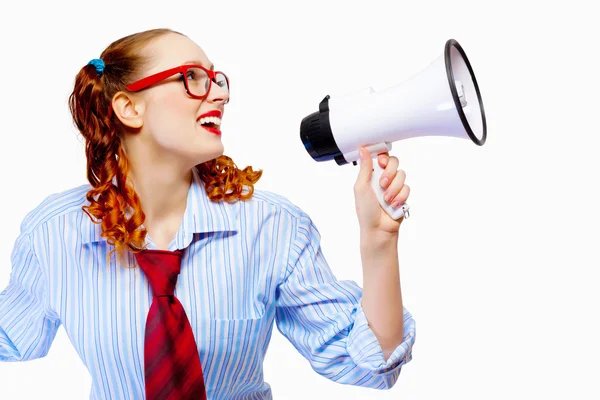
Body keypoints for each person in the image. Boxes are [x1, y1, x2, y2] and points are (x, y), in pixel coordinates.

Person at [0, 28, 416, 399]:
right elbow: (13, 338)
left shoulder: (271, 229)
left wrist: (380, 240)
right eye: (191, 78)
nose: (220, 93)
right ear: (129, 109)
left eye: (216, 79)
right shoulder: (54, 233)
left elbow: (368, 364)